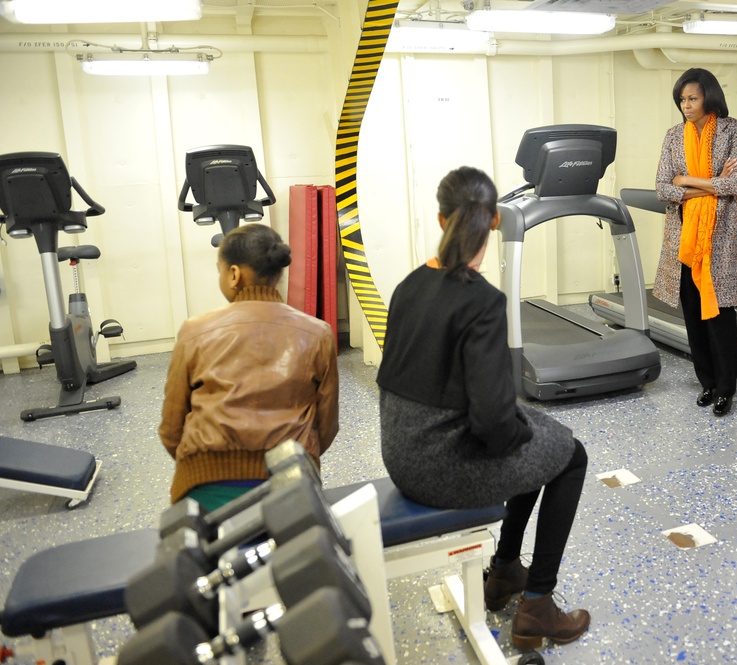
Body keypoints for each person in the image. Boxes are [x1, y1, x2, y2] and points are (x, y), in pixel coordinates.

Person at [376, 166, 590, 650]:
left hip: (400, 453)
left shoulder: (408, 286)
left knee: (538, 439)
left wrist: (523, 430)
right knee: (569, 455)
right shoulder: (484, 302)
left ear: (440, 219)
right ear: (494, 221)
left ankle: (505, 570)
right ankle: (537, 606)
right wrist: (524, 432)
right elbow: (493, 423)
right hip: (442, 468)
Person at [159, 223, 338, 509]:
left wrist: (200, 464)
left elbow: (171, 428)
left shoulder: (195, 331)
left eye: (219, 270)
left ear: (234, 274)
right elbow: (326, 426)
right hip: (292, 481)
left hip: (205, 483)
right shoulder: (318, 333)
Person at [653, 67, 737, 417]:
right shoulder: (673, 135)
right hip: (684, 235)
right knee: (693, 313)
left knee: (720, 312)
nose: (686, 105)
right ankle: (707, 382)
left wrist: (686, 181)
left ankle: (726, 388)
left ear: (708, 97)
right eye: (682, 99)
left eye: (692, 98)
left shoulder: (733, 129)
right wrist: (710, 183)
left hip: (720, 235)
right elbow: (663, 188)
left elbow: (735, 184)